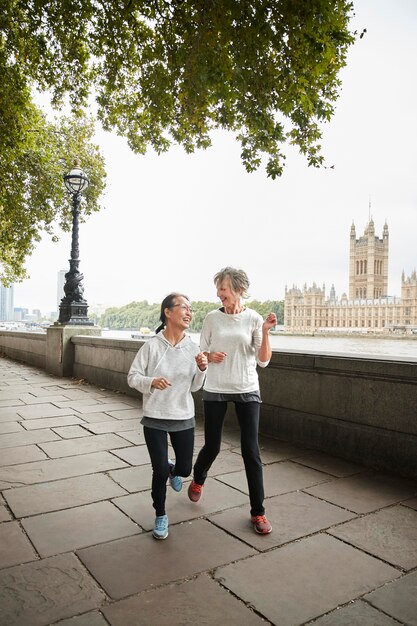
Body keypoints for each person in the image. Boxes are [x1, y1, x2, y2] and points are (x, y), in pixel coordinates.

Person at [188, 267, 277, 534]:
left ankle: (258, 513)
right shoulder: (212, 319)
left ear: (238, 289)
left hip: (247, 388)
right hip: (216, 387)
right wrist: (208, 356)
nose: (219, 294)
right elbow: (201, 351)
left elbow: (263, 360)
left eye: (223, 289)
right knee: (212, 446)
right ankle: (198, 478)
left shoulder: (254, 319)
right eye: (218, 290)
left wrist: (266, 331)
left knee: (251, 450)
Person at [128, 293, 207, 540]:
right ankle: (160, 515)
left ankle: (175, 471)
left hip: (183, 415)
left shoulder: (193, 349)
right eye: (183, 307)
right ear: (168, 312)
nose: (189, 312)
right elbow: (132, 377)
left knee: (184, 468)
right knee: (158, 470)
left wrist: (203, 369)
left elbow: (195, 387)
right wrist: (151, 381)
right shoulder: (151, 346)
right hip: (154, 417)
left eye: (190, 308)